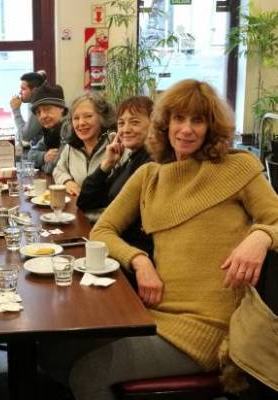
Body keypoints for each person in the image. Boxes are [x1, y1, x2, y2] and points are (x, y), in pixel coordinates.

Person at [66, 79, 278, 400]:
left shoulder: (238, 167)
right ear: (165, 124)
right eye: (179, 119)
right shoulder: (150, 175)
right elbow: (102, 230)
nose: (187, 130)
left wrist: (260, 236)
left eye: (198, 120)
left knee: (87, 373)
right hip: (151, 315)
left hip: (206, 330)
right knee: (54, 350)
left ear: (212, 126)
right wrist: (140, 260)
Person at [77, 96, 153, 247]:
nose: (125, 129)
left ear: (154, 125)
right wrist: (107, 164)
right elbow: (85, 201)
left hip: (129, 254)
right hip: (112, 243)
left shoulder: (151, 163)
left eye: (135, 122)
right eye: (121, 123)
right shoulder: (130, 160)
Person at [52, 92, 115, 196]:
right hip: (78, 208)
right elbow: (58, 170)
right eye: (76, 118)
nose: (81, 123)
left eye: (88, 116)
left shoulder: (114, 144)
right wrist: (67, 182)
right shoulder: (70, 147)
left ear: (102, 118)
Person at [26, 83, 68, 175]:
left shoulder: (70, 129)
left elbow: (51, 169)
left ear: (61, 108)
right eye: (38, 112)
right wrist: (44, 157)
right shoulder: (51, 131)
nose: (42, 116)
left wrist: (43, 165)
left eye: (47, 109)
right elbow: (30, 154)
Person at [10, 71, 45, 144]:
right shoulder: (34, 104)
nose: (20, 92)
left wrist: (16, 110)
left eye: (23, 89)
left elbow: (24, 137)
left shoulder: (40, 107)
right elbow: (25, 131)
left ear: (34, 90)